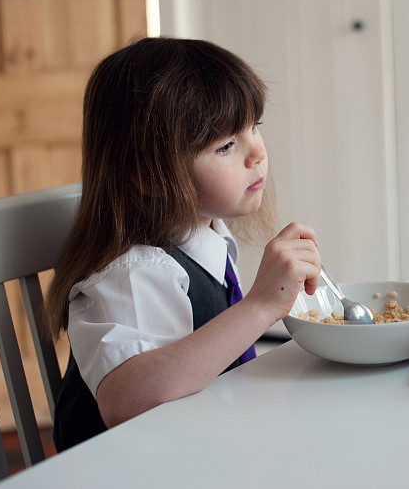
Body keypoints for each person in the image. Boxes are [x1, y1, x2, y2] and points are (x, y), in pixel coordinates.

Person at [44, 37, 321, 451]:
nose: (257, 154)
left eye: (253, 127)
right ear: (148, 176)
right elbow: (125, 401)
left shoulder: (209, 238)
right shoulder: (130, 274)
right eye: (226, 146)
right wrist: (260, 306)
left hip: (198, 448)